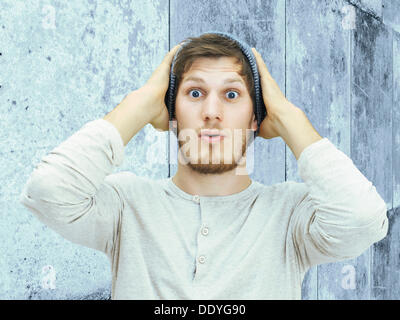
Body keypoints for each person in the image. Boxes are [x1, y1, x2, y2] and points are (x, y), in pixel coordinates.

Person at [20, 33, 389, 300]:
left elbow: (364, 220)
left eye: (232, 95)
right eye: (194, 93)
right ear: (171, 113)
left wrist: (291, 118)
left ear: (256, 117)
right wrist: (139, 104)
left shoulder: (291, 215)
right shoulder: (126, 204)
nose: (211, 111)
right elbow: (47, 192)